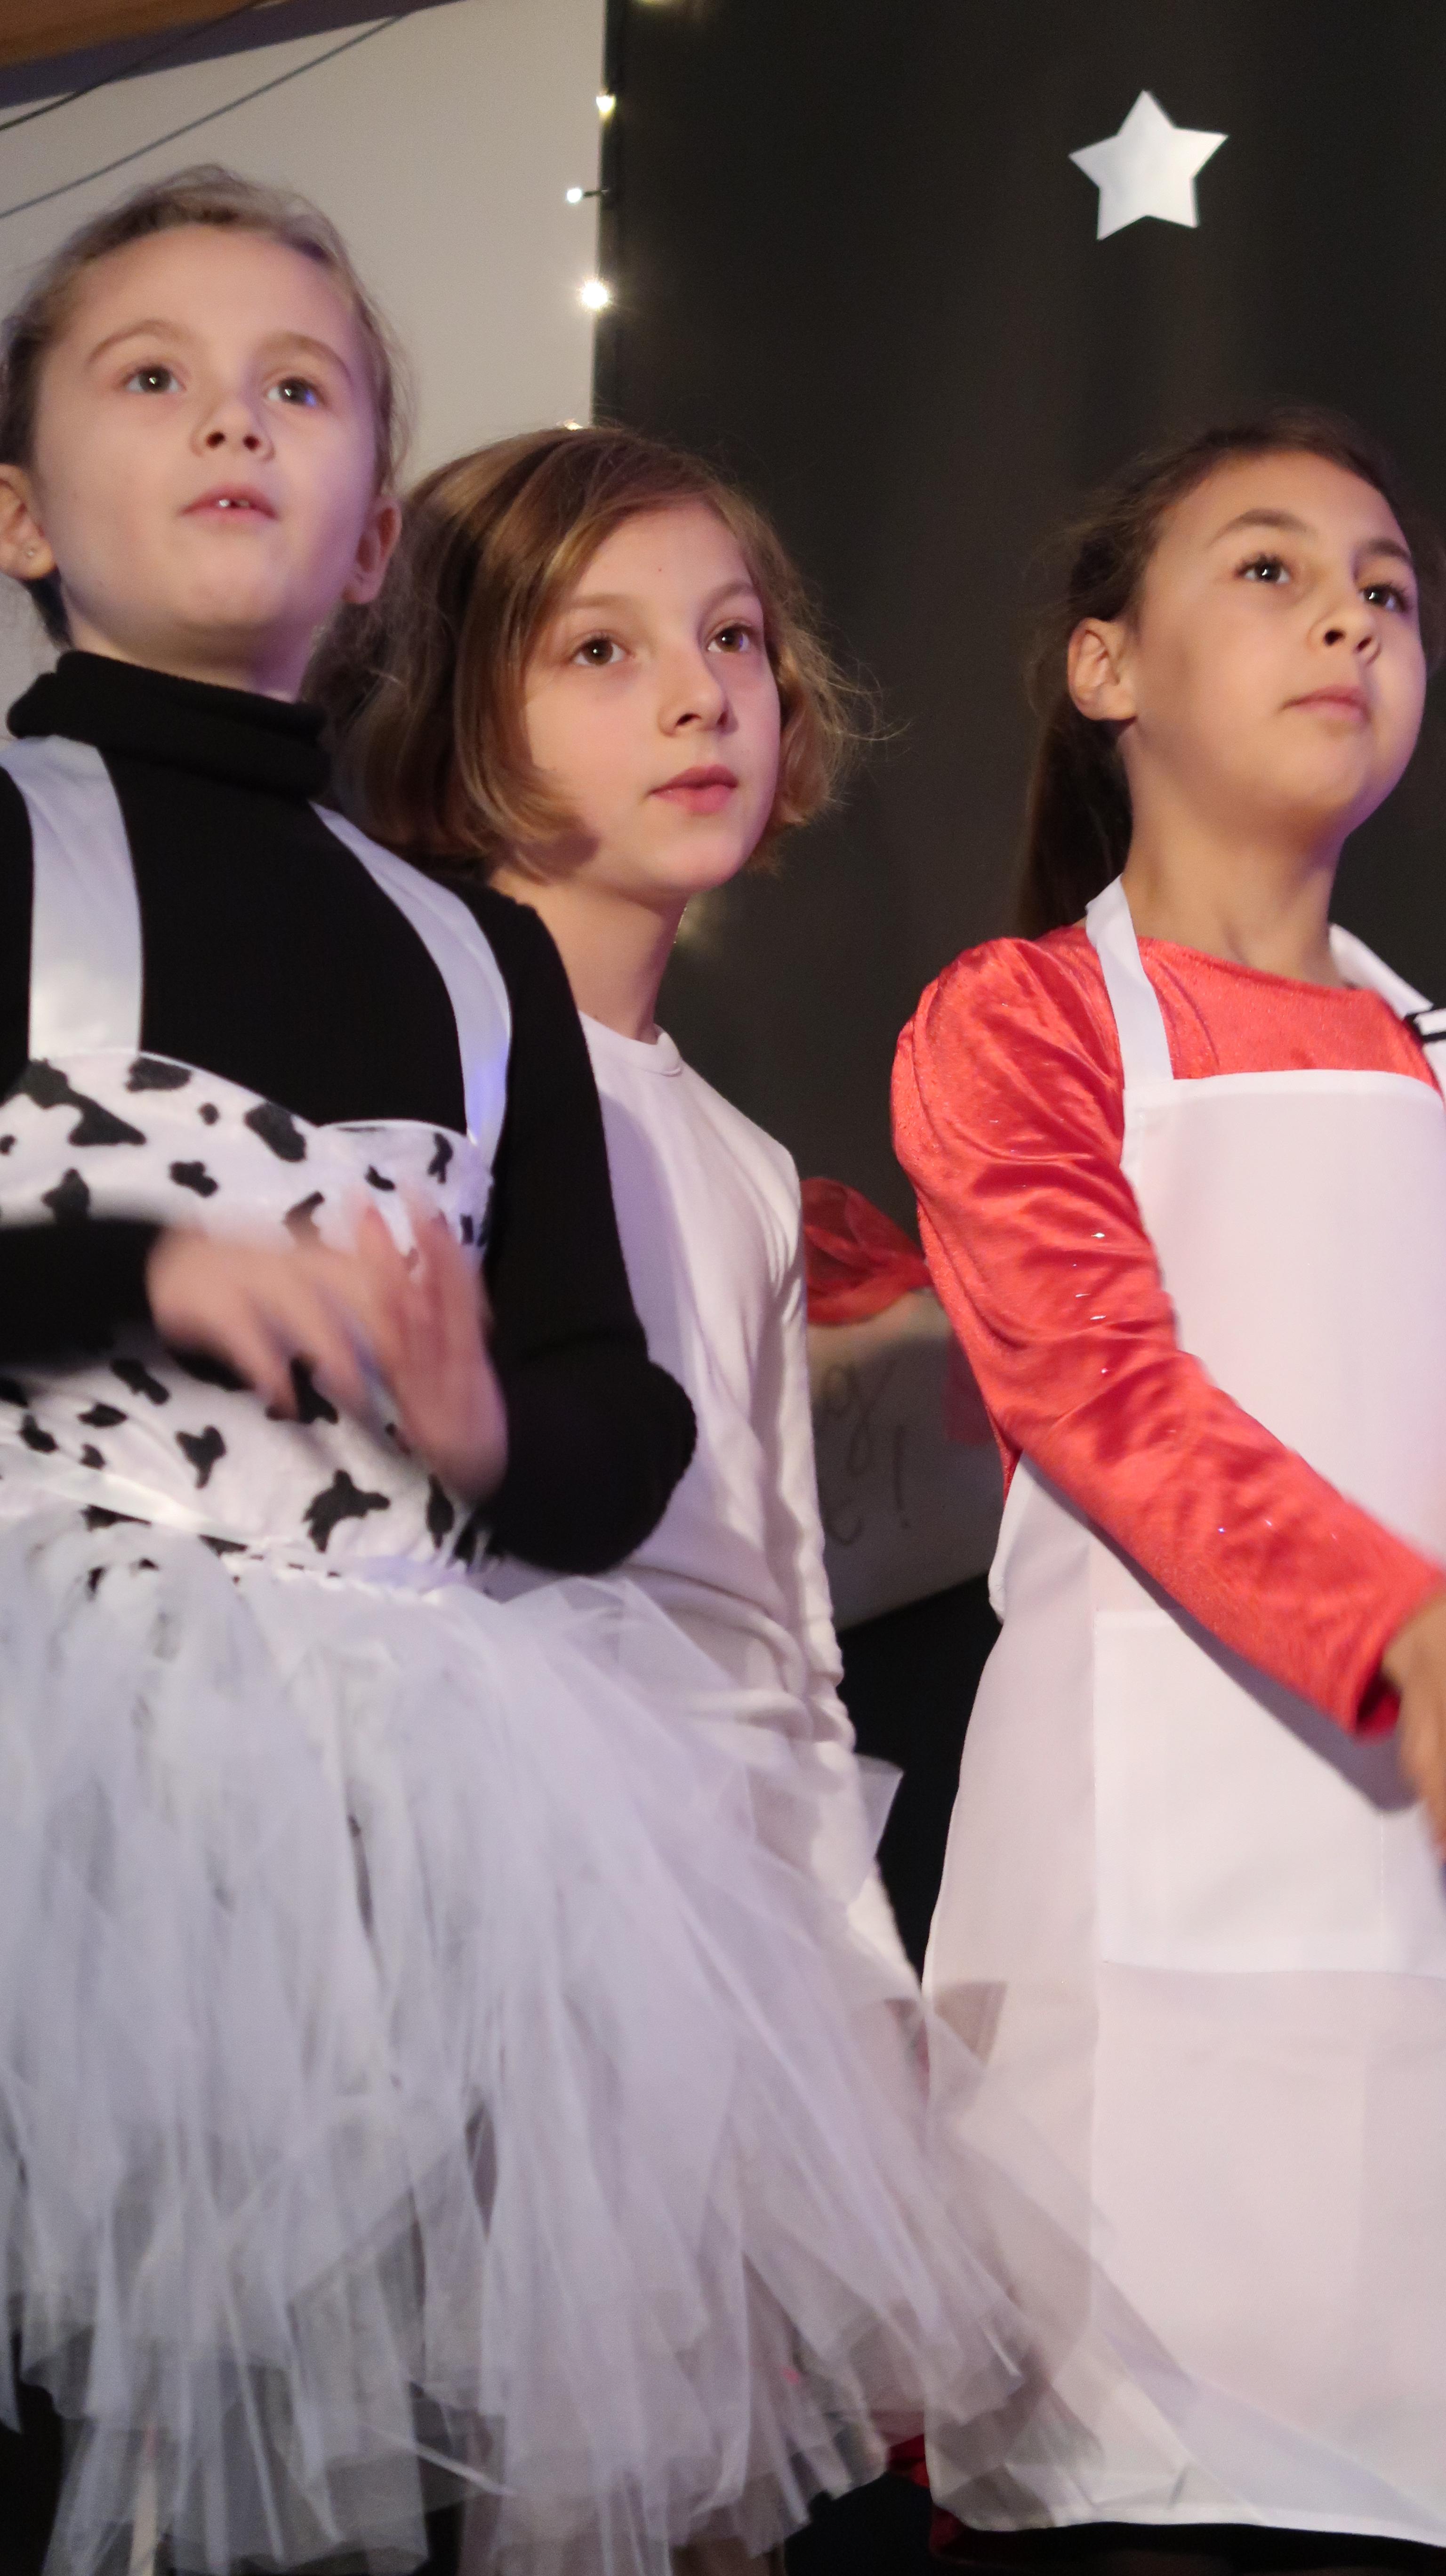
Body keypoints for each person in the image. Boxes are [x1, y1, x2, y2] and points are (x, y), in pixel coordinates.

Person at [0, 168, 1002, 2576]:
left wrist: (475, 1426)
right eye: (156, 377)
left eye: (299, 386)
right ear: (19, 510)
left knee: (357, 2447)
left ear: (371, 545)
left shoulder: (470, 959)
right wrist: (145, 1273)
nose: (233, 422)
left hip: (415, 1806)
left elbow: (608, 1417)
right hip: (55, 1744)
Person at [311, 424, 1028, 2572]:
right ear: (458, 702)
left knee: (691, 2506)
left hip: (721, 1942)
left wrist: (854, 1999)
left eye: (730, 641)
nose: (704, 698)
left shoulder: (733, 1160)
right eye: (603, 652)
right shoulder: (424, 1069)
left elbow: (788, 1637)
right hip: (497, 1905)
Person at [894, 410, 1446, 2573]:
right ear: (1106, 666)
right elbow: (1102, 1392)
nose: (1349, 620)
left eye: (1389, 590)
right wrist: (1405, 1633)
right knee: (1155, 2505)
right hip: (1143, 1920)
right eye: (1273, 570)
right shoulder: (1026, 1022)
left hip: (1410, 1911)